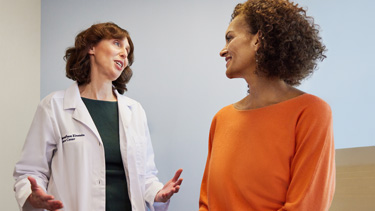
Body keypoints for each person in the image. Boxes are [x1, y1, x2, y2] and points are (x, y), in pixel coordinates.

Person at [13, 22, 183, 211]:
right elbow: (30, 171)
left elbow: (146, 176)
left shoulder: (135, 111)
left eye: (127, 50)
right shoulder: (54, 106)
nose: (124, 53)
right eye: (117, 43)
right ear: (91, 47)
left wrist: (158, 193)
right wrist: (32, 196)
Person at [199, 0, 335, 210]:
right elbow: (206, 202)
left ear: (258, 39)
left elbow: (305, 205)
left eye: (230, 38)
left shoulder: (311, 112)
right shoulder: (221, 119)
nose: (222, 51)